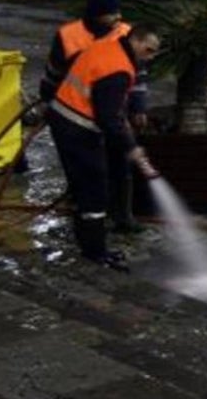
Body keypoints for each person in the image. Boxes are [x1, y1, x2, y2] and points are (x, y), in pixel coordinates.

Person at [47, 24, 162, 272]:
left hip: (64, 118)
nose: (150, 57)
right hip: (77, 128)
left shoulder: (108, 48)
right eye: (149, 50)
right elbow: (108, 118)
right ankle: (95, 252)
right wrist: (130, 147)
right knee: (95, 190)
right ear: (135, 41)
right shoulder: (118, 69)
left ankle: (86, 242)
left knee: (83, 187)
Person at [39, 0, 149, 234]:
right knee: (84, 170)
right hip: (78, 117)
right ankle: (85, 214)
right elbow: (53, 74)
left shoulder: (125, 33)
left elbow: (139, 72)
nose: (115, 21)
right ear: (94, 16)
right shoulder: (69, 36)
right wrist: (48, 104)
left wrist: (139, 106)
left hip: (112, 113)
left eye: (116, 15)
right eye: (109, 16)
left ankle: (122, 215)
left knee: (120, 163)